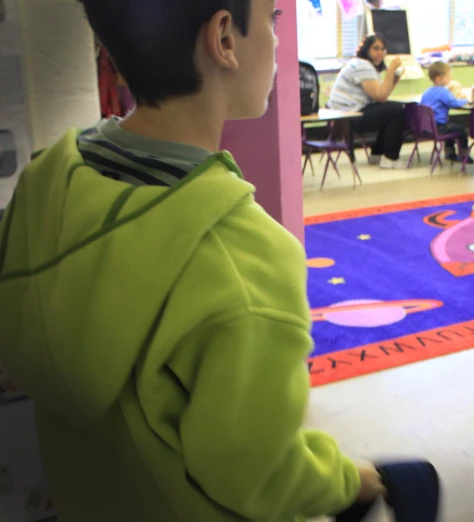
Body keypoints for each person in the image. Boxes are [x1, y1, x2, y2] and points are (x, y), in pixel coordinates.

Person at [0, 1, 386, 522]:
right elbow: (258, 473)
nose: (277, 42)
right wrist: (347, 480)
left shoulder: (44, 184)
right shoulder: (245, 257)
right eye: (272, 20)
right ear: (224, 39)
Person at [328, 34, 407, 169]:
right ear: (366, 50)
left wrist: (394, 78)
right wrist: (391, 70)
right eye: (375, 48)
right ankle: (390, 158)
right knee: (398, 109)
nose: (380, 53)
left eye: (383, 50)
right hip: (349, 117)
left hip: (348, 115)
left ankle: (378, 153)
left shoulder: (362, 65)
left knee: (390, 109)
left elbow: (383, 96)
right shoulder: (362, 65)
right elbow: (380, 96)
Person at [420, 61, 474, 164]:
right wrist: (466, 100)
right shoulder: (443, 92)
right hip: (439, 127)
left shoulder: (427, 92)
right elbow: (454, 103)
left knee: (451, 127)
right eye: (448, 77)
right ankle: (464, 155)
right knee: (461, 130)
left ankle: (450, 152)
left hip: (427, 127)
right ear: (438, 78)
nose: (450, 79)